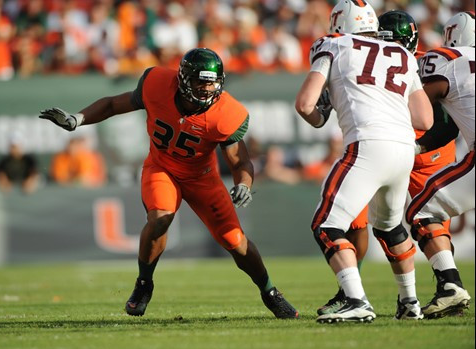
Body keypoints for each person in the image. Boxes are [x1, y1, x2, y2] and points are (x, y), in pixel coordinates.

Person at [39, 47, 299, 319]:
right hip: (162, 168)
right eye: (201, 81)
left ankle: (270, 292)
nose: (207, 88)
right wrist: (77, 119)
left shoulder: (226, 113)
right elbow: (113, 104)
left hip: (202, 178)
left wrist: (244, 184)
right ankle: (144, 284)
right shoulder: (157, 84)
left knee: (236, 242)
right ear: (184, 79)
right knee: (160, 218)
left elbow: (240, 162)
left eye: (212, 82)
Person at [295, 0, 433, 323]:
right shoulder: (400, 53)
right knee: (390, 227)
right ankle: (410, 302)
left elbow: (305, 105)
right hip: (404, 149)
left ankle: (356, 299)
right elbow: (425, 119)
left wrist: (321, 115)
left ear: (339, 24)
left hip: (368, 144)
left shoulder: (332, 44)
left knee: (325, 224)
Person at [316, 9, 461, 318]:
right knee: (379, 224)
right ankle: (425, 293)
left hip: (411, 147)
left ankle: (443, 285)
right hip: (403, 146)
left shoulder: (419, 62)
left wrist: (420, 142)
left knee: (417, 219)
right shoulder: (407, 58)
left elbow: (445, 120)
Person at [405, 11, 474, 319]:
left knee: (421, 210)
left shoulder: (445, 59)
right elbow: (450, 128)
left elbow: (423, 109)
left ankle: (449, 286)